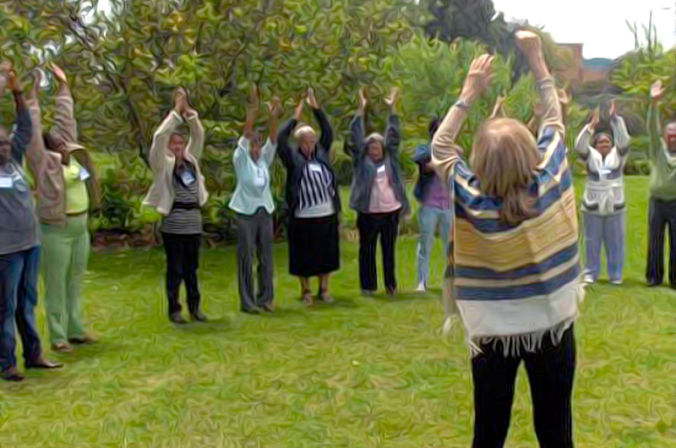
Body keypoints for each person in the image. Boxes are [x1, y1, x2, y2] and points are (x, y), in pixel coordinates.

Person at [432, 31, 583, 448]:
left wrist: (469, 91)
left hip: (491, 331)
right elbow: (553, 118)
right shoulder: (550, 177)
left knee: (490, 430)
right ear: (529, 152)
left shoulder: (469, 195)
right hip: (552, 324)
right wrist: (536, 61)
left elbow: (440, 146)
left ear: (479, 158)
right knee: (556, 430)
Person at [27, 65, 100, 353]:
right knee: (56, 285)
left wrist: (63, 88)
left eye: (63, 139)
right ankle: (58, 336)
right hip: (56, 230)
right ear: (49, 148)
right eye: (57, 141)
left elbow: (66, 122)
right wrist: (32, 96)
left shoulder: (73, 158)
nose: (63, 141)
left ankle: (76, 329)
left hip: (80, 228)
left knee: (75, 282)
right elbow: (33, 135)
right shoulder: (44, 163)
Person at [0, 64, 62, 381]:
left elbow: (24, 126)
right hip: (6, 250)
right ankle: (7, 362)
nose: (6, 148)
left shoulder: (13, 162)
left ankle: (34, 354)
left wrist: (17, 92)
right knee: (6, 307)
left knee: (27, 301)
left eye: (7, 144)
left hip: (30, 244)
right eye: (1, 145)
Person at [144, 88, 208, 324]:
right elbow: (159, 137)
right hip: (174, 223)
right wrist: (175, 112)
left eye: (181, 142)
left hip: (193, 222)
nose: (178, 146)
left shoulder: (192, 161)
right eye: (175, 143)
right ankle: (174, 309)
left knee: (192, 269)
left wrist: (190, 114)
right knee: (175, 269)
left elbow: (199, 136)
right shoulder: (162, 164)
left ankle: (195, 307)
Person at [277, 88, 340, 306]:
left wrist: (316, 107)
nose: (311, 143)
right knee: (302, 254)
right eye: (306, 140)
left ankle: (324, 289)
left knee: (327, 253)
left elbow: (328, 131)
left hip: (326, 211)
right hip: (302, 214)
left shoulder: (321, 154)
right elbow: (280, 138)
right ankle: (305, 291)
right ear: (299, 142)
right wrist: (295, 118)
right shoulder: (292, 158)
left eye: (313, 140)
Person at [347, 87, 408, 296]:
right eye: (371, 147)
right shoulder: (360, 161)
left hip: (391, 212)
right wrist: (360, 111)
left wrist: (392, 110)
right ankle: (368, 287)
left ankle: (391, 286)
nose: (375, 150)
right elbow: (355, 139)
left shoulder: (391, 159)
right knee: (367, 250)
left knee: (388, 251)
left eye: (378, 146)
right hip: (368, 213)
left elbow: (393, 136)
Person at [229, 87, 281, 314]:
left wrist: (274, 117)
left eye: (258, 145)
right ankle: (247, 301)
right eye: (253, 145)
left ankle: (266, 298)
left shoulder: (263, 161)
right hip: (245, 213)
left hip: (264, 212)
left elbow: (273, 139)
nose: (257, 148)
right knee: (246, 257)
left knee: (266, 257)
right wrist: (253, 112)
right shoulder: (241, 159)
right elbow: (246, 133)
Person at [575, 102, 630, 284]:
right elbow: (579, 145)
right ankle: (591, 273)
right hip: (592, 205)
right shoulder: (590, 155)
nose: (604, 144)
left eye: (607, 141)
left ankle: (616, 275)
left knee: (616, 242)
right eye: (600, 142)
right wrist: (590, 128)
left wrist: (615, 120)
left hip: (615, 204)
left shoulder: (619, 155)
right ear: (595, 145)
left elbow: (623, 140)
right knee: (592, 241)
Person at [412, 118, 451, 293]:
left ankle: (451, 282)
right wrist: (440, 158)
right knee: (425, 243)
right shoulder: (425, 149)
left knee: (450, 246)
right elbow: (422, 162)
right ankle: (422, 281)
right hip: (429, 205)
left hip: (449, 205)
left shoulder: (451, 150)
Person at [645, 79, 676, 287]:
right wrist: (654, 104)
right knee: (655, 242)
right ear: (665, 137)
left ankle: (675, 280)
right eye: (670, 135)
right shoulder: (659, 150)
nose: (673, 138)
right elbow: (651, 129)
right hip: (657, 202)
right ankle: (654, 278)